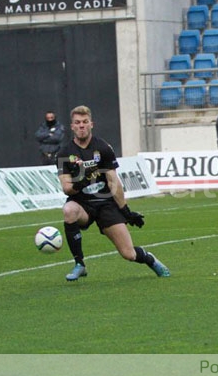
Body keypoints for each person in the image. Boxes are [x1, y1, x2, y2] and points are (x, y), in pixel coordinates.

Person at [57, 105, 169, 281]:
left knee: (128, 254)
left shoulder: (103, 148)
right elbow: (66, 187)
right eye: (77, 123)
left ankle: (150, 259)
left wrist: (126, 211)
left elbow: (113, 182)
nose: (81, 126)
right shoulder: (64, 152)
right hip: (82, 204)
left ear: (91, 124)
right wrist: (82, 182)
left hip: (105, 204)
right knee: (69, 210)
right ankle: (80, 264)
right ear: (72, 126)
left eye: (85, 122)